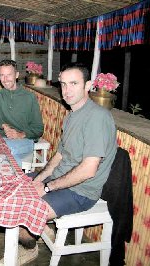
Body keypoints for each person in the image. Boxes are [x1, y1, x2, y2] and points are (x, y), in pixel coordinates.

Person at [17, 63, 118, 264]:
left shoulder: (97, 118)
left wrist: (46, 187)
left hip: (81, 192)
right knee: (13, 187)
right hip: (59, 180)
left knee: (22, 214)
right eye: (63, 84)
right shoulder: (72, 115)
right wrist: (39, 179)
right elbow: (60, 155)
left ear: (87, 85)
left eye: (73, 83)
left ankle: (29, 245)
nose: (66, 90)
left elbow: (88, 170)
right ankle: (42, 226)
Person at [0, 59, 44, 166]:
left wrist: (20, 134)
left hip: (24, 140)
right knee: (3, 154)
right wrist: (2, 125)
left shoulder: (29, 97)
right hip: (1, 140)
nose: (5, 79)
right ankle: (17, 180)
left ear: (16, 75)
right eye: (2, 75)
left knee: (2, 151)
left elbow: (38, 129)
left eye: (9, 75)